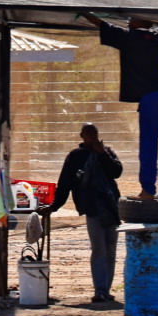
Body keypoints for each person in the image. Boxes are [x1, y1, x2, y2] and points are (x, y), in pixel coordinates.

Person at [82, 13, 158, 200]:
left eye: (133, 17)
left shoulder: (127, 37)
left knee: (149, 145)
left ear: (142, 21)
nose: (128, 19)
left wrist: (84, 12)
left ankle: (148, 191)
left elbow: (101, 23)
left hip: (151, 99)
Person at [43, 123, 123, 302]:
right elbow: (64, 184)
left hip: (111, 207)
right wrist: (54, 206)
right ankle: (100, 290)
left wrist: (102, 154)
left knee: (111, 249)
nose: (91, 137)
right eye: (88, 134)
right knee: (99, 248)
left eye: (94, 133)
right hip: (92, 208)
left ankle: (106, 289)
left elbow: (116, 172)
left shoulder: (107, 152)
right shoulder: (75, 156)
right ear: (82, 136)